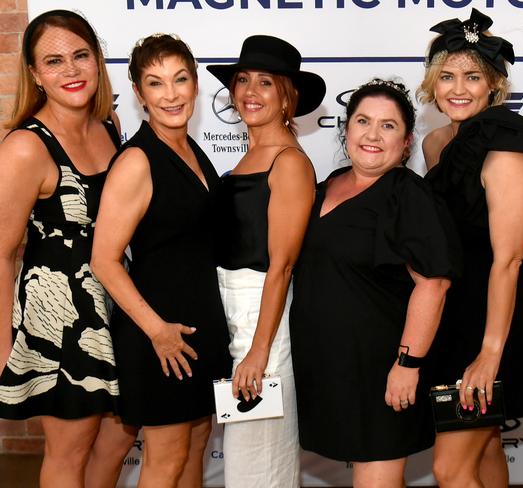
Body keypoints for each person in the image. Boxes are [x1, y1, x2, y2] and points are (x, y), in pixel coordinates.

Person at [290, 78, 458, 487]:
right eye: (363, 121)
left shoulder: (407, 194)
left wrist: (407, 364)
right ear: (346, 129)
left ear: (406, 142)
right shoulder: (325, 185)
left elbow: (433, 285)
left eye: (388, 126)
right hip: (329, 367)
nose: (372, 134)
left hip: (384, 368)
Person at [419, 9, 523, 487]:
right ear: (433, 84)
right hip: (449, 317)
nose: (459, 88)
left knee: (449, 468)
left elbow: (511, 257)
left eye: (473, 77)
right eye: (448, 77)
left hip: (493, 323)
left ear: (495, 85)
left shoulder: (506, 142)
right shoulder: (435, 142)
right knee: (483, 457)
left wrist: (490, 351)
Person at [0, 9, 136, 488]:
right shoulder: (24, 148)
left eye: (81, 55)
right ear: (35, 74)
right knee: (69, 453)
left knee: (117, 442)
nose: (71, 70)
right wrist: (5, 350)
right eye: (54, 61)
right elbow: (0, 255)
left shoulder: (109, 126)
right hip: (56, 325)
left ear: (98, 61)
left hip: (115, 308)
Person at [91, 34, 232, 488]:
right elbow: (105, 260)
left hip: (197, 330)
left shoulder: (192, 152)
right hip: (159, 336)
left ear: (194, 84)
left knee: (195, 447)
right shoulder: (137, 160)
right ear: (138, 93)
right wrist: (158, 331)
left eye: (180, 80)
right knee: (166, 460)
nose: (171, 95)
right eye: (156, 84)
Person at [205, 35, 325, 488]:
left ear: (287, 98)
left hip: (265, 322)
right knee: (247, 461)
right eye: (242, 80)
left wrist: (258, 351)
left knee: (258, 463)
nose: (250, 91)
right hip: (235, 316)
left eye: (266, 83)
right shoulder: (247, 159)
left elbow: (282, 267)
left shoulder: (289, 162)